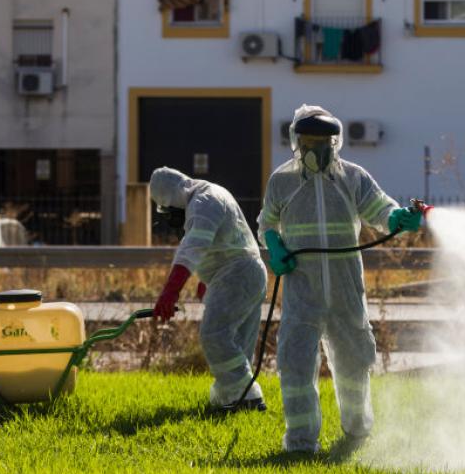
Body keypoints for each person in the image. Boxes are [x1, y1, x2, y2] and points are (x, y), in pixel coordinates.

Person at [258, 104, 422, 453]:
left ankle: (358, 432)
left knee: (353, 362)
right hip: (303, 289)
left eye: (322, 140)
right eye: (308, 140)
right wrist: (274, 244)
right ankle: (301, 442)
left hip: (346, 288)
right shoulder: (282, 180)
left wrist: (397, 219)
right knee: (296, 364)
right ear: (297, 142)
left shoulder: (352, 177)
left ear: (335, 142)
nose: (315, 147)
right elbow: (267, 222)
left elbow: (379, 208)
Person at [150, 166, 268, 412]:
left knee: (215, 335)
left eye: (170, 209)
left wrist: (170, 292)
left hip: (238, 275)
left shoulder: (204, 202)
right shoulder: (207, 196)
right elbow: (223, 241)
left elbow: (193, 247)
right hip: (242, 275)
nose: (171, 217)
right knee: (237, 343)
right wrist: (206, 282)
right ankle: (231, 399)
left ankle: (248, 397)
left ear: (177, 195)